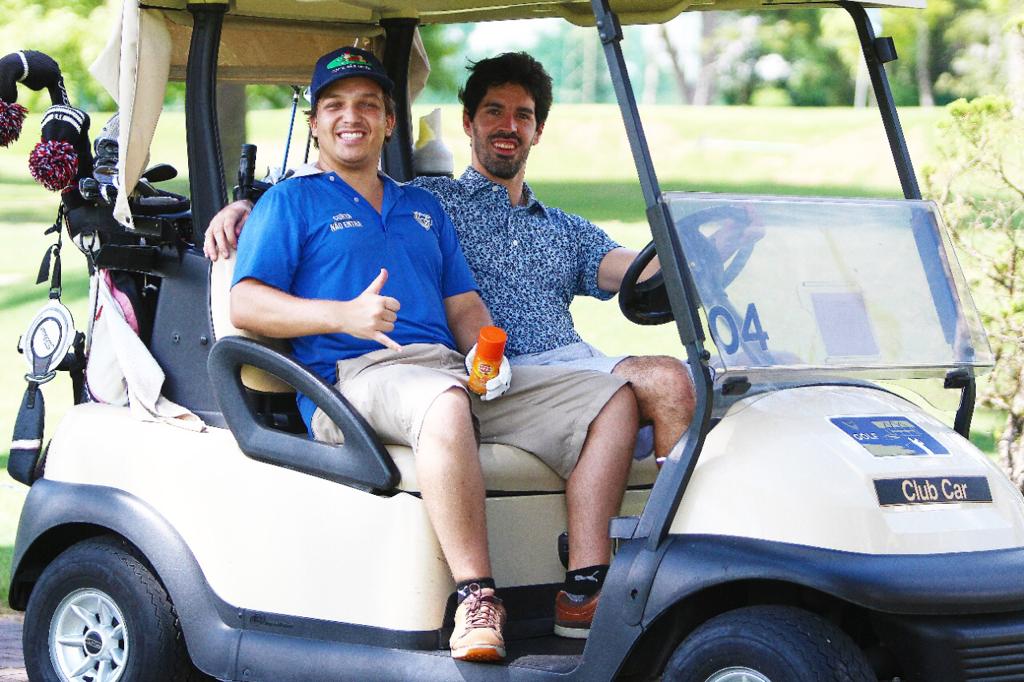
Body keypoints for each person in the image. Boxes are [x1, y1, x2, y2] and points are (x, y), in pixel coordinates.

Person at [228, 47, 638, 662]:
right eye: (335, 106)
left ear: (390, 122)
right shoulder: (290, 202)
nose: (352, 117)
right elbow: (246, 303)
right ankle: (477, 599)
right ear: (314, 123)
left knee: (613, 397)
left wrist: (486, 354)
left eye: (368, 105)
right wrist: (341, 315)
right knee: (444, 402)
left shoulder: (423, 207)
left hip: (444, 372)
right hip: (353, 378)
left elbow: (463, 304)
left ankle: (585, 590)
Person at [207, 53, 696, 467]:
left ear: (538, 130)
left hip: (571, 362)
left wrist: (700, 250)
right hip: (501, 366)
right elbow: (335, 191)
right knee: (667, 382)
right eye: (494, 112)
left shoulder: (565, 227)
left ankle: (650, 530)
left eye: (523, 116)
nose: (508, 127)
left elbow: (636, 269)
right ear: (468, 123)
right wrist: (246, 205)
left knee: (703, 385)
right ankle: (666, 534)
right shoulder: (434, 199)